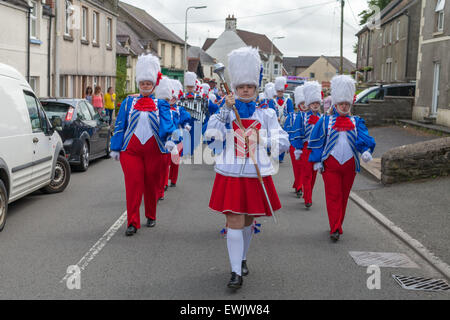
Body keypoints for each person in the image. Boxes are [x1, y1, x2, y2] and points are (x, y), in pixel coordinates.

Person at [205, 46, 290, 289]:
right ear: (235, 88)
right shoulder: (226, 112)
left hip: (256, 173)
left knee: (248, 221)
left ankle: (242, 258)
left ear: (255, 88)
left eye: (249, 87)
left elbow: (283, 141)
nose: (245, 90)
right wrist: (223, 112)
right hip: (231, 172)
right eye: (241, 87)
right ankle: (235, 272)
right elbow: (211, 136)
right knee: (233, 219)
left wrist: (262, 140)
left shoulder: (267, 114)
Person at [110, 54, 177, 236]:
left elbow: (167, 124)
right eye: (142, 83)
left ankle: (151, 214)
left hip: (154, 151)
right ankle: (132, 222)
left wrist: (170, 139)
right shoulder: (128, 102)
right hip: (130, 152)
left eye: (149, 83)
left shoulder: (161, 104)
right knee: (133, 185)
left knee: (152, 184)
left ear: (154, 85)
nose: (145, 86)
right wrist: (115, 148)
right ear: (138, 84)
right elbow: (120, 126)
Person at [308, 75, 376, 242]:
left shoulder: (357, 121)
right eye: (341, 104)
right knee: (333, 196)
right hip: (330, 165)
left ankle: (338, 224)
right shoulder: (325, 121)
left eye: (346, 104)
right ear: (336, 104)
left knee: (344, 196)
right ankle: (335, 228)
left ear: (350, 105)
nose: (344, 107)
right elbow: (316, 141)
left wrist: (366, 150)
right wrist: (317, 160)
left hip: (350, 166)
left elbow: (364, 138)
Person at [290, 81, 323, 208]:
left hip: (317, 150)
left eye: (317, 103)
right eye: (313, 103)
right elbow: (298, 132)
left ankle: (308, 194)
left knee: (314, 175)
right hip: (306, 148)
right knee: (307, 174)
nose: (315, 105)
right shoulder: (302, 117)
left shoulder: (322, 118)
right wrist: (298, 149)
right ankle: (308, 199)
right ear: (309, 104)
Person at [284, 86, 306, 197]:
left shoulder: (312, 116)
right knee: (297, 168)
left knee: (304, 167)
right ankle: (299, 187)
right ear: (298, 105)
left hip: (306, 146)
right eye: (302, 104)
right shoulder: (292, 116)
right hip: (294, 145)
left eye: (306, 103)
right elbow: (286, 130)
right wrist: (287, 144)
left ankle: (299, 185)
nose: (304, 106)